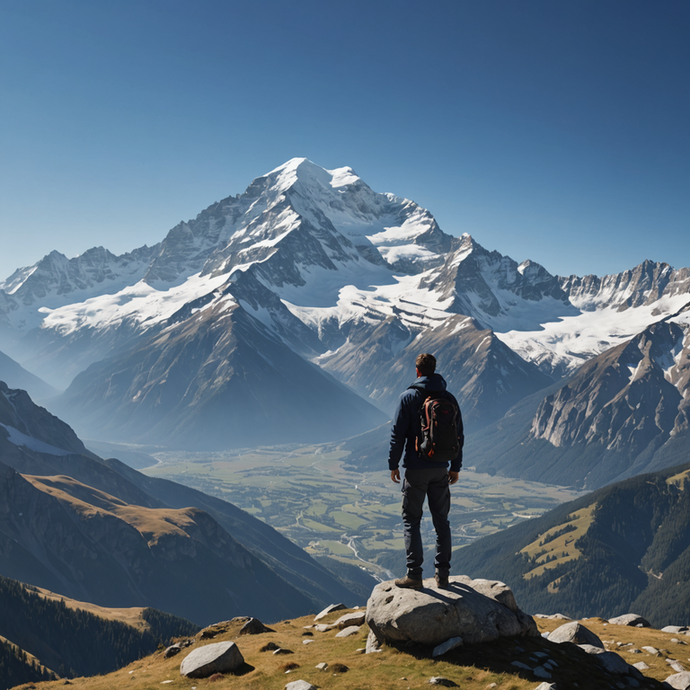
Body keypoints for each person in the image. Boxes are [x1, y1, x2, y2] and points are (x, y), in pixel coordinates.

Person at [388, 353, 464, 589]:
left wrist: (393, 464)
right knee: (442, 521)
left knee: (412, 520)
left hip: (415, 469)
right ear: (434, 369)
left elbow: (397, 434)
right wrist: (455, 467)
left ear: (417, 371)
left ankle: (414, 575)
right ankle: (442, 575)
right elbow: (459, 436)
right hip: (441, 468)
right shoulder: (448, 397)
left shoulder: (408, 397)